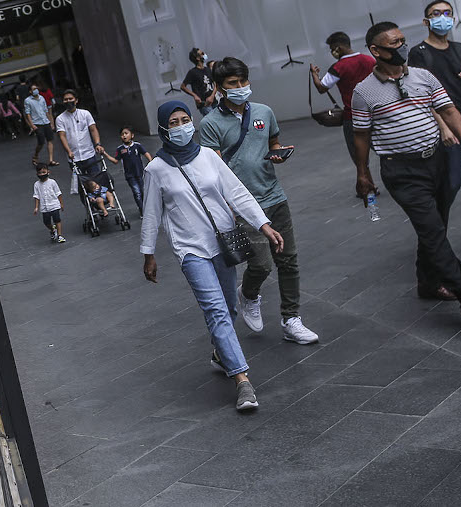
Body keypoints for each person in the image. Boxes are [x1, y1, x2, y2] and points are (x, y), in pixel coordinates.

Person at [142, 100, 284, 411]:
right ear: (163, 129)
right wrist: (148, 253)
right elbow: (151, 214)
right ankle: (242, 380)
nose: (181, 126)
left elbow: (237, 192)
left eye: (185, 119)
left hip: (223, 243)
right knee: (216, 311)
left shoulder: (208, 156)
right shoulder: (155, 169)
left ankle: (221, 353)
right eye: (174, 122)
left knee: (229, 308)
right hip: (190, 249)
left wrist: (264, 225)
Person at [354, 22, 461, 316]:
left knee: (435, 225)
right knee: (432, 228)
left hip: (436, 160)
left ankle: (427, 283)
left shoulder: (423, 77)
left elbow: (449, 110)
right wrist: (363, 173)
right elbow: (360, 136)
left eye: (403, 40)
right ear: (376, 51)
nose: (402, 47)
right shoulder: (364, 92)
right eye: (394, 44)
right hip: (401, 171)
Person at [200, 58, 319, 344]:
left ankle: (291, 319)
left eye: (243, 81)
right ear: (218, 88)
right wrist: (227, 204)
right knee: (262, 264)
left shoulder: (264, 112)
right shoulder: (209, 124)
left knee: (288, 260)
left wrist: (277, 152)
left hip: (275, 197)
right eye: (232, 84)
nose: (240, 88)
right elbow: (213, 170)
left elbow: (273, 141)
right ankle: (249, 293)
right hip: (242, 206)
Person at [409, 0, 461, 196]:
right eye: (436, 13)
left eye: (447, 13)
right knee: (451, 183)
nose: (443, 17)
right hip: (447, 123)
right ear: (426, 22)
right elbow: (421, 96)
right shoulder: (419, 53)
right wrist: (442, 127)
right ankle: (436, 222)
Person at [310, 31, 377, 165]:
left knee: (360, 158)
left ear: (338, 48)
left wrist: (314, 75)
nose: (332, 53)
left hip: (353, 117)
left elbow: (322, 88)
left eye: (332, 49)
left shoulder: (338, 67)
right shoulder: (369, 59)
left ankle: (366, 181)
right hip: (375, 113)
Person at [55, 89, 105, 177]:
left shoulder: (85, 114)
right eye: (66, 99)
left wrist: (98, 144)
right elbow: (62, 136)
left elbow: (93, 129)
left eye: (70, 98)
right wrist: (68, 151)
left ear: (76, 100)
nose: (68, 101)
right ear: (63, 101)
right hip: (74, 157)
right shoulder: (60, 119)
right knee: (81, 183)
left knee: (96, 180)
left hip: (89, 154)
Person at [103, 126, 152, 215]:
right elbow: (115, 161)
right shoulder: (120, 149)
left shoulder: (137, 145)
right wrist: (105, 154)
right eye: (122, 134)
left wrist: (151, 163)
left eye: (126, 133)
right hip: (130, 176)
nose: (124, 136)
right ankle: (142, 211)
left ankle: (148, 209)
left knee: (144, 192)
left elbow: (146, 153)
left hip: (140, 173)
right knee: (137, 193)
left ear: (132, 135)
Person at [24, 83, 58, 166]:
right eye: (34, 89)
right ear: (30, 91)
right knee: (41, 142)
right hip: (37, 123)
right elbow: (27, 114)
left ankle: (51, 160)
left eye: (36, 88)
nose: (36, 90)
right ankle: (35, 155)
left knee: (50, 140)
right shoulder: (28, 101)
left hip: (45, 121)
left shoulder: (42, 98)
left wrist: (51, 122)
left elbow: (46, 111)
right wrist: (32, 125)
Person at [33, 163, 67, 243]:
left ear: (48, 172)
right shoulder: (36, 185)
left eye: (43, 172)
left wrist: (61, 203)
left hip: (54, 205)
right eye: (40, 173)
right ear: (37, 174)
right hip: (44, 207)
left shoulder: (52, 182)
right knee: (46, 222)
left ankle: (60, 235)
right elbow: (36, 196)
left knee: (57, 219)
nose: (42, 174)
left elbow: (58, 193)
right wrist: (36, 207)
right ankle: (52, 229)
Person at [182, 47, 217, 115]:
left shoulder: (207, 70)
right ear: (197, 58)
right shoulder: (192, 72)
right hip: (203, 104)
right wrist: (195, 95)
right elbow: (183, 86)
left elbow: (216, 84)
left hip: (214, 101)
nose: (204, 55)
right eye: (202, 54)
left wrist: (212, 96)